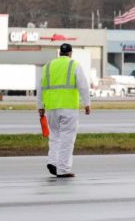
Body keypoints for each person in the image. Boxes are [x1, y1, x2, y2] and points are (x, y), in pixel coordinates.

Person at [37, 42, 91, 178]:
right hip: (68, 108)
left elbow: (40, 88)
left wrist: (40, 106)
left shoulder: (47, 67)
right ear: (70, 53)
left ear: (59, 53)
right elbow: (83, 85)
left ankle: (53, 161)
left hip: (51, 108)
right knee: (67, 138)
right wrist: (87, 103)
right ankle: (63, 169)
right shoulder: (74, 65)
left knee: (54, 136)